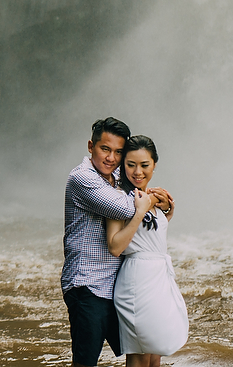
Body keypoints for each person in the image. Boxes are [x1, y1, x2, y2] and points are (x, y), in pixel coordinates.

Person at [62, 118, 173, 367]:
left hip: (115, 287)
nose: (111, 157)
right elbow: (125, 206)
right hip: (87, 286)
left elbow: (137, 188)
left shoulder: (113, 177)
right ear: (91, 146)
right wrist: (156, 198)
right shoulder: (83, 178)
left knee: (146, 353)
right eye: (105, 149)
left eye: (118, 152)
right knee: (86, 362)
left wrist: (163, 207)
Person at [105, 136, 188, 366]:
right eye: (130, 165)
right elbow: (115, 246)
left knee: (154, 353)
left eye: (144, 165)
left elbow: (148, 238)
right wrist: (144, 208)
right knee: (140, 353)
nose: (137, 172)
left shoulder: (151, 197)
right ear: (123, 165)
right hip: (137, 282)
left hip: (159, 279)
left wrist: (166, 215)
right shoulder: (119, 197)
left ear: (154, 165)